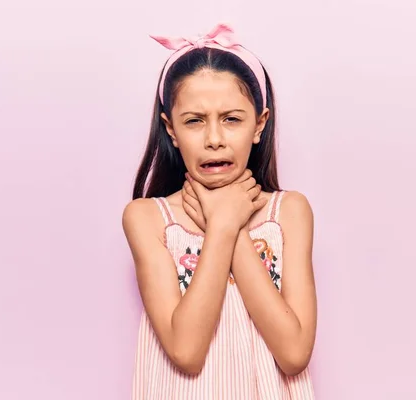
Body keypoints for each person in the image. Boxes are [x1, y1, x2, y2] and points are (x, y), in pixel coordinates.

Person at [122, 23, 317, 399]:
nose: (214, 139)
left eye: (232, 119)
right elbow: (186, 351)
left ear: (259, 124)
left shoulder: (288, 212)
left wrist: (228, 225)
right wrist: (222, 227)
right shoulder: (148, 219)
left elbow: (294, 354)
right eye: (194, 121)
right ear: (172, 130)